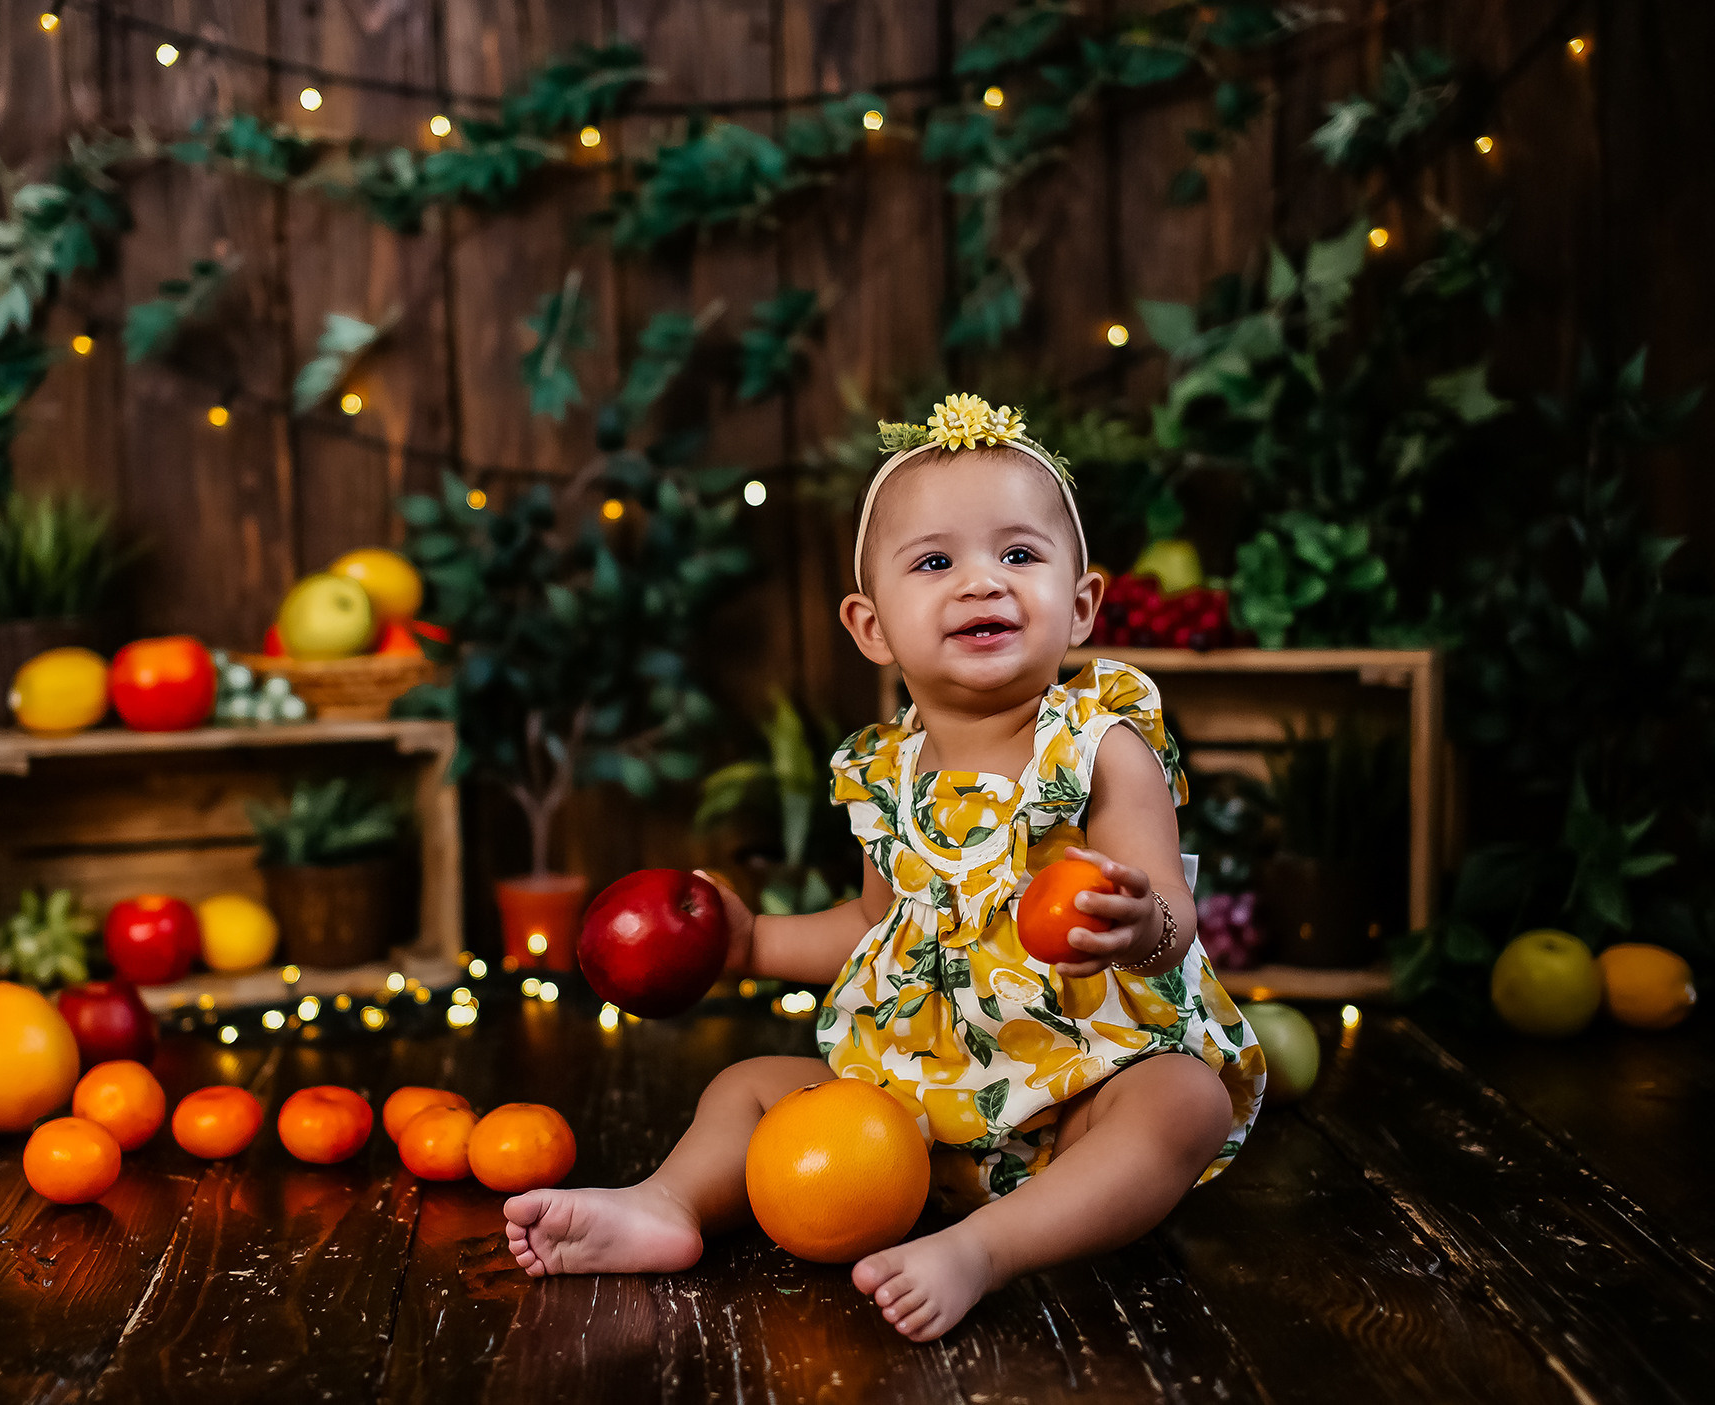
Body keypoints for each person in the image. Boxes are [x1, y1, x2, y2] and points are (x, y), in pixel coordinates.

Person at [504, 393, 1263, 1342]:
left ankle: (990, 1246)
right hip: (908, 1109)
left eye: (1019, 555)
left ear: (1080, 607)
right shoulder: (883, 773)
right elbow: (876, 926)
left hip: (1082, 1090)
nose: (983, 583)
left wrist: (1139, 922)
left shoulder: (1099, 745)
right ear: (871, 626)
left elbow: (1175, 921)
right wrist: (750, 941)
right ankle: (668, 1204)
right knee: (748, 1086)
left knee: (1180, 1101)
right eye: (937, 561)